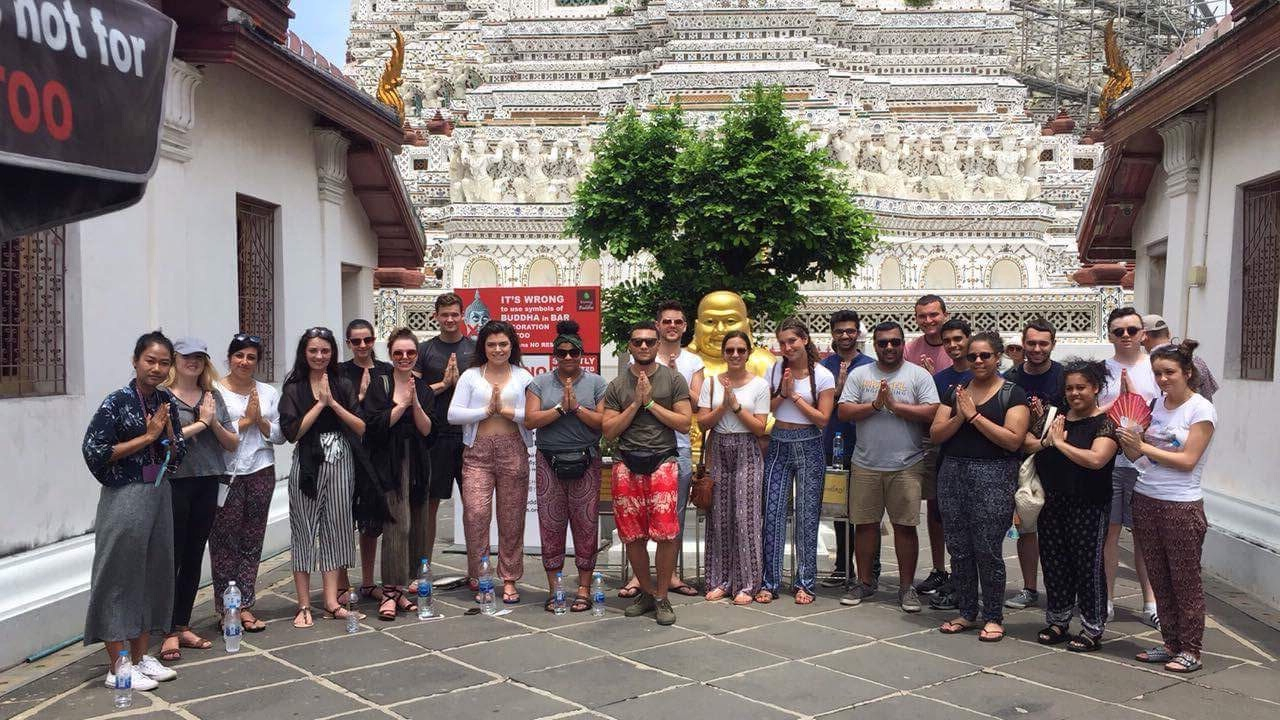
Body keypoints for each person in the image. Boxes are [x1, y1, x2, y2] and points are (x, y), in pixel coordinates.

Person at [82, 331, 187, 691]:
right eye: (150, 361)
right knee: (119, 575)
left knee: (154, 573)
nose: (157, 368)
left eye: (163, 362)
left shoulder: (165, 402)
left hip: (158, 491)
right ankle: (118, 664)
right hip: (125, 495)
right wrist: (147, 436)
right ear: (136, 361)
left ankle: (142, 657)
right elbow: (95, 451)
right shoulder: (117, 402)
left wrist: (170, 435)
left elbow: (179, 454)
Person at [1120, 340, 1216, 673]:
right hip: (1147, 497)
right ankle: (1170, 642)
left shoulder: (1200, 409)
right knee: (1159, 577)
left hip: (1181, 504)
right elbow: (1138, 456)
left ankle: (1191, 649)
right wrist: (1128, 439)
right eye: (1157, 373)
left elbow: (1188, 460)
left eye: (1169, 373)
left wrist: (1143, 445)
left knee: (1185, 581)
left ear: (1187, 373)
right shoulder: (1156, 406)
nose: (1163, 380)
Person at [930, 331, 1030, 642]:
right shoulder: (955, 391)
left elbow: (1013, 439)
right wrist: (961, 415)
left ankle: (993, 615)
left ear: (997, 357)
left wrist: (974, 416)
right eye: (973, 356)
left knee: (987, 548)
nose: (978, 361)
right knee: (959, 547)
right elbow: (936, 433)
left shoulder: (1013, 393)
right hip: (953, 471)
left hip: (994, 473)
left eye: (985, 356)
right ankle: (967, 610)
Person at [279, 327, 379, 628]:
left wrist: (333, 402)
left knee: (337, 526)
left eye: (325, 350)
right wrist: (319, 404)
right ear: (304, 353)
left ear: (333, 352)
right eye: (313, 351)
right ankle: (304, 604)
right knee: (304, 529)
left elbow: (361, 427)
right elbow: (291, 432)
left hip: (340, 458)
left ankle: (333, 600)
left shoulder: (342, 383)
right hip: (307, 462)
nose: (319, 356)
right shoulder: (294, 386)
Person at [837, 321, 939, 612]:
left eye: (895, 342)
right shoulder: (860, 374)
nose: (889, 347)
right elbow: (844, 411)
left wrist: (896, 406)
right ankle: (865, 582)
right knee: (865, 525)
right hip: (866, 463)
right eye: (883, 343)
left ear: (903, 344)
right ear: (875, 345)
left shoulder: (917, 375)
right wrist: (874, 406)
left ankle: (907, 588)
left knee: (905, 527)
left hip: (906, 463)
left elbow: (932, 411)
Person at [602, 321, 693, 625]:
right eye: (637, 342)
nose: (643, 346)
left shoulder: (673, 379)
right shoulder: (616, 385)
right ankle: (644, 590)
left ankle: (662, 596)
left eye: (648, 342)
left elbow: (683, 423)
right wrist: (634, 405)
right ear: (629, 345)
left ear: (657, 346)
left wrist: (651, 403)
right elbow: (610, 431)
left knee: (666, 535)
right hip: (626, 462)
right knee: (633, 536)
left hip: (662, 461)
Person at [1025, 360, 1117, 652]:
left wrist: (1060, 444)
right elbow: (1027, 442)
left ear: (1095, 389)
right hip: (1053, 501)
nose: (1075, 393)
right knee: (1054, 562)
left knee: (1087, 566)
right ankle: (1058, 619)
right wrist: (1046, 443)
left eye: (1081, 388)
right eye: (1069, 388)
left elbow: (1096, 459)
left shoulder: (1105, 423)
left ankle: (1092, 626)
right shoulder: (1055, 416)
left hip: (1088, 504)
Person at [159, 338, 239, 662]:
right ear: (176, 360)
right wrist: (200, 424)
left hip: (207, 480)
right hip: (175, 483)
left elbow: (232, 442)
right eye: (186, 357)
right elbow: (163, 442)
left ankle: (182, 624)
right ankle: (165, 631)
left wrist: (214, 421)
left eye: (198, 357)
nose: (192, 362)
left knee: (194, 555)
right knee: (172, 557)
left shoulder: (212, 396)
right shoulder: (163, 397)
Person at [619, 300, 703, 598]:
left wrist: (672, 374)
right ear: (658, 326)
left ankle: (670, 577)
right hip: (635, 452)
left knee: (671, 520)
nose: (672, 327)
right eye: (666, 322)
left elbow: (695, 404)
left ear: (685, 326)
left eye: (677, 322)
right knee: (635, 522)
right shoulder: (636, 361)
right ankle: (639, 578)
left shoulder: (693, 362)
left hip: (676, 449)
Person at [524, 320, 609, 612]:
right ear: (554, 356)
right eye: (562, 353)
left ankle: (584, 589)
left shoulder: (597, 383)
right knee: (551, 524)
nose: (568, 358)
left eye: (574, 353)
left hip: (586, 459)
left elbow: (603, 424)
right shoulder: (540, 383)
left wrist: (577, 409)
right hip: (549, 460)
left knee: (586, 525)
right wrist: (560, 408)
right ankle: (555, 588)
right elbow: (531, 420)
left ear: (582, 354)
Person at [448, 320, 534, 605]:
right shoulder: (471, 376)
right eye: (492, 344)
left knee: (511, 518)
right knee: (475, 515)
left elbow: (534, 415)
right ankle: (481, 575)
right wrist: (485, 410)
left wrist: (507, 411)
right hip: (478, 453)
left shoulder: (522, 377)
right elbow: (453, 414)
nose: (498, 349)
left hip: (513, 448)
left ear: (512, 346)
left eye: (503, 344)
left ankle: (509, 579)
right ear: (483, 347)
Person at [210, 333, 282, 636]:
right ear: (229, 358)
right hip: (226, 473)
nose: (244, 362)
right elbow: (211, 431)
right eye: (239, 355)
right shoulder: (214, 392)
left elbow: (279, 434)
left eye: (251, 357)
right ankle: (227, 608)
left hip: (260, 470)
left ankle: (246, 604)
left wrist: (261, 422)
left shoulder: (266, 392)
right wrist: (247, 421)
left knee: (252, 541)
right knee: (224, 543)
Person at [362, 327, 435, 621]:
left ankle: (402, 588)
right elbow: (375, 425)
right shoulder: (380, 384)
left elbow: (428, 429)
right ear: (390, 355)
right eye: (398, 353)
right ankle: (390, 592)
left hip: (417, 461)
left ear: (416, 355)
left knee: (416, 525)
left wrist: (414, 401)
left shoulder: (425, 388)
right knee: (396, 526)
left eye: (410, 353)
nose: (404, 358)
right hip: (389, 463)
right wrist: (401, 403)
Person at [762, 318, 836, 605]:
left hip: (809, 444)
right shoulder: (775, 370)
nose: (787, 347)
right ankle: (770, 581)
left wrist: (795, 395)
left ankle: (805, 582)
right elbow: (765, 408)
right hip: (779, 440)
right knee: (773, 513)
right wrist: (782, 393)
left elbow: (822, 418)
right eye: (782, 343)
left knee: (807, 515)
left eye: (791, 341)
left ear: (804, 340)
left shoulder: (823, 375)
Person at [697, 331, 771, 605]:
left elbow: (760, 427)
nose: (736, 355)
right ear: (724, 353)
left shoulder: (759, 385)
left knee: (745, 516)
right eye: (730, 350)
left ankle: (747, 583)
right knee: (719, 517)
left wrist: (737, 406)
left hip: (747, 449)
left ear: (748, 353)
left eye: (741, 350)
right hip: (718, 446)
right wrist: (724, 405)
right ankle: (719, 580)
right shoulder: (711, 383)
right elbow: (703, 424)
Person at [1099, 307, 1159, 627]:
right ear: (1109, 334)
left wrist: (1136, 398)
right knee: (1109, 533)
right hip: (1109, 460)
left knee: (1144, 535)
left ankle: (1150, 601)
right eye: (1119, 331)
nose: (1125, 336)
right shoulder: (1101, 371)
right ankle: (1106, 598)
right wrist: (1115, 402)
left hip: (1146, 462)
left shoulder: (1155, 369)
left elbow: (1164, 412)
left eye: (1132, 330)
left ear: (1142, 334)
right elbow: (1091, 413)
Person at [1002, 318, 1066, 611]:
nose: (1037, 349)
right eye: (1031, 343)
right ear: (1023, 344)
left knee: (1058, 529)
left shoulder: (1065, 378)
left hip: (1060, 462)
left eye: (1043, 343)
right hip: (1021, 460)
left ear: (1053, 344)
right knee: (1026, 525)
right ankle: (1029, 588)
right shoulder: (1011, 378)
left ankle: (1060, 588)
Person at [415, 293, 476, 575]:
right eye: (444, 315)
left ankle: (476, 571)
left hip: (468, 437)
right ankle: (423, 569)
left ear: (462, 315)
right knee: (430, 505)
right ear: (436, 317)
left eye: (455, 314)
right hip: (434, 436)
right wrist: (444, 384)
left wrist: (461, 384)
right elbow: (412, 392)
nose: (450, 320)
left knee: (474, 507)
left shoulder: (475, 350)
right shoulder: (425, 351)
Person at [915, 317, 972, 607]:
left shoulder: (985, 376)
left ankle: (966, 577)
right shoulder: (939, 379)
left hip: (977, 457)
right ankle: (941, 569)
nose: (953, 345)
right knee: (938, 512)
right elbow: (931, 419)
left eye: (958, 339)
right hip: (943, 454)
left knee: (969, 520)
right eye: (948, 341)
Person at [338, 319, 394, 600]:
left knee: (371, 522)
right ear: (348, 343)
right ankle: (341, 583)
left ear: (374, 341)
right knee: (341, 520)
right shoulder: (339, 373)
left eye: (367, 340)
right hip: (346, 451)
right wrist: (359, 396)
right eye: (356, 341)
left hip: (377, 452)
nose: (362, 346)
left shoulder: (386, 371)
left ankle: (369, 581)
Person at [819, 310, 875, 589]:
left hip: (865, 446)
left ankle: (870, 569)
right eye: (839, 331)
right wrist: (837, 390)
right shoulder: (824, 366)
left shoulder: (870, 366)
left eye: (850, 331)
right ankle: (843, 566)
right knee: (839, 510)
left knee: (866, 512)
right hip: (833, 445)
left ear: (858, 333)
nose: (845, 336)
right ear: (832, 334)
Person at [1142, 314, 1218, 401]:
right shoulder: (1195, 358)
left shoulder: (1148, 364)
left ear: (1144, 337)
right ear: (1169, 334)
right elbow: (1208, 393)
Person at [904, 294, 952, 374]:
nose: (928, 320)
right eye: (922, 316)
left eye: (933, 315)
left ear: (945, 316)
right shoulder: (908, 351)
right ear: (915, 319)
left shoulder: (959, 347)